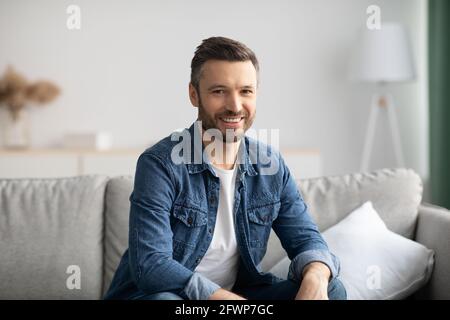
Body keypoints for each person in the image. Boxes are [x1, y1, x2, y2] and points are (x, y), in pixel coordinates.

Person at [104, 36, 346, 300]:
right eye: (219, 91)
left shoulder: (271, 166)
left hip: (240, 293)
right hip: (160, 296)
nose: (234, 106)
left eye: (246, 91)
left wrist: (317, 275)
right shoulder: (160, 164)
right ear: (194, 94)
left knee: (332, 289)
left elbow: (306, 239)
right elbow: (151, 266)